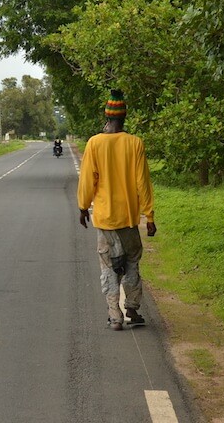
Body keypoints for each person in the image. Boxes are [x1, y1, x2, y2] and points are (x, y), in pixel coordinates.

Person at [77, 89, 156, 331]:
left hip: (104, 220)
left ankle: (115, 316)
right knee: (132, 262)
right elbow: (143, 182)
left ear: (107, 117)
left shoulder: (94, 143)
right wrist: (149, 216)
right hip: (129, 219)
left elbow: (88, 180)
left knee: (108, 266)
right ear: (124, 118)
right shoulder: (134, 143)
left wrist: (83, 207)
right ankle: (132, 307)